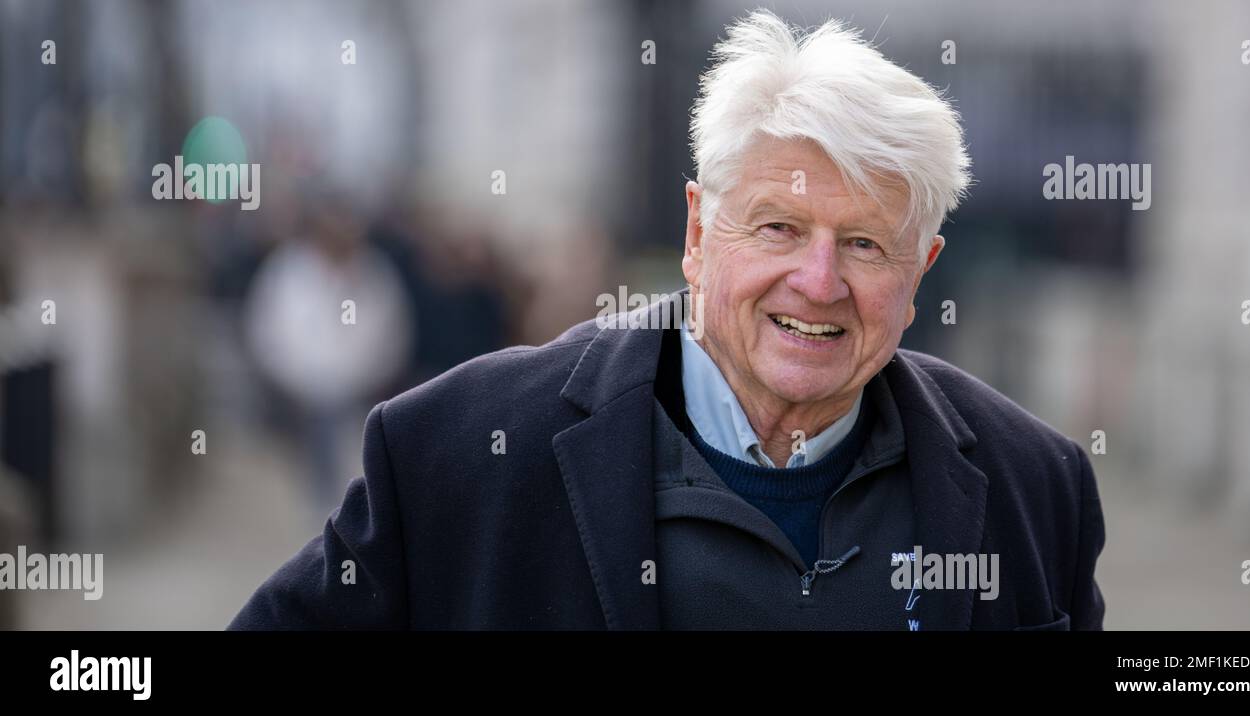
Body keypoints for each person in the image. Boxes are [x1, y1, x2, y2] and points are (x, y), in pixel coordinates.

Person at [230, 9, 1104, 630]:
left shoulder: (1039, 488)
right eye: (780, 228)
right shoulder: (457, 453)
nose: (819, 280)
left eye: (867, 246)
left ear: (922, 275)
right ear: (697, 233)